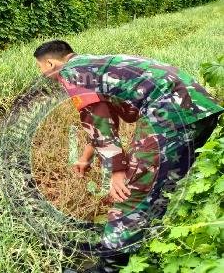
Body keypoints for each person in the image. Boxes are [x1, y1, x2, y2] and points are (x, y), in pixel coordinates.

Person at [34, 40, 223, 272]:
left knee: (131, 191)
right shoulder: (94, 65)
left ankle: (109, 266)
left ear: (50, 64)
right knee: (163, 184)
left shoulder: (71, 73)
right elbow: (105, 117)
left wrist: (117, 171)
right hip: (199, 108)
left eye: (41, 69)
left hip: (168, 113)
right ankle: (145, 243)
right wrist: (86, 156)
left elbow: (98, 119)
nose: (44, 75)